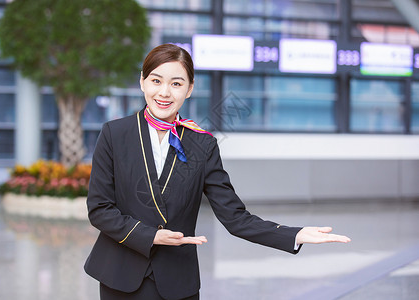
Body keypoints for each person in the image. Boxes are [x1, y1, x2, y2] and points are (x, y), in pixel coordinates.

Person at [84, 44, 351, 300]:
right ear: (142, 81)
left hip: (176, 281)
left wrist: (293, 234)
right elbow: (100, 209)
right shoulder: (115, 134)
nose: (164, 92)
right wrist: (150, 236)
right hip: (120, 276)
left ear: (189, 89)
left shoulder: (202, 144)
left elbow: (235, 218)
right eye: (156, 81)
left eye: (176, 83)